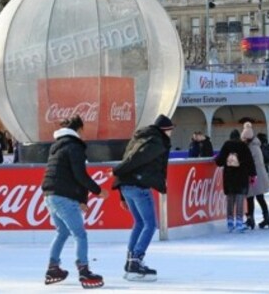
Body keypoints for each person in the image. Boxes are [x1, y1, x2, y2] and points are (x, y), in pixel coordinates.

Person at [41, 115, 108, 288]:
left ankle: (53, 267)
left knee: (62, 232)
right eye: (83, 130)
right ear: (78, 130)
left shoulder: (57, 146)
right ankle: (84, 271)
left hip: (50, 195)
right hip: (63, 196)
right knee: (80, 234)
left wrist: (82, 199)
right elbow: (80, 175)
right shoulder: (74, 146)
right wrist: (98, 190)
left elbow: (68, 176)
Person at [112, 114, 174, 281]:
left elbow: (128, 158)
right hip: (138, 186)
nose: (171, 134)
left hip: (126, 186)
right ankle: (136, 259)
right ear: (165, 130)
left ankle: (130, 260)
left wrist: (121, 192)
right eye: (170, 131)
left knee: (139, 223)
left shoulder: (140, 137)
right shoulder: (155, 142)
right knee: (151, 224)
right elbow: (133, 160)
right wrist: (118, 170)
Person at [215, 129, 257, 233]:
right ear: (239, 136)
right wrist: (253, 174)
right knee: (239, 199)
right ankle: (239, 222)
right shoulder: (243, 146)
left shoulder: (227, 145)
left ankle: (230, 222)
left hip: (229, 176)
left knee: (230, 199)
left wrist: (216, 159)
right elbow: (250, 161)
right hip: (241, 176)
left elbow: (219, 161)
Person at [242, 123, 269, 230]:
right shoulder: (256, 146)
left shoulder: (251, 148)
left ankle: (250, 219)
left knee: (250, 198)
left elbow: (249, 163)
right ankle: (267, 218)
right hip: (260, 176)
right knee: (260, 198)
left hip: (253, 176)